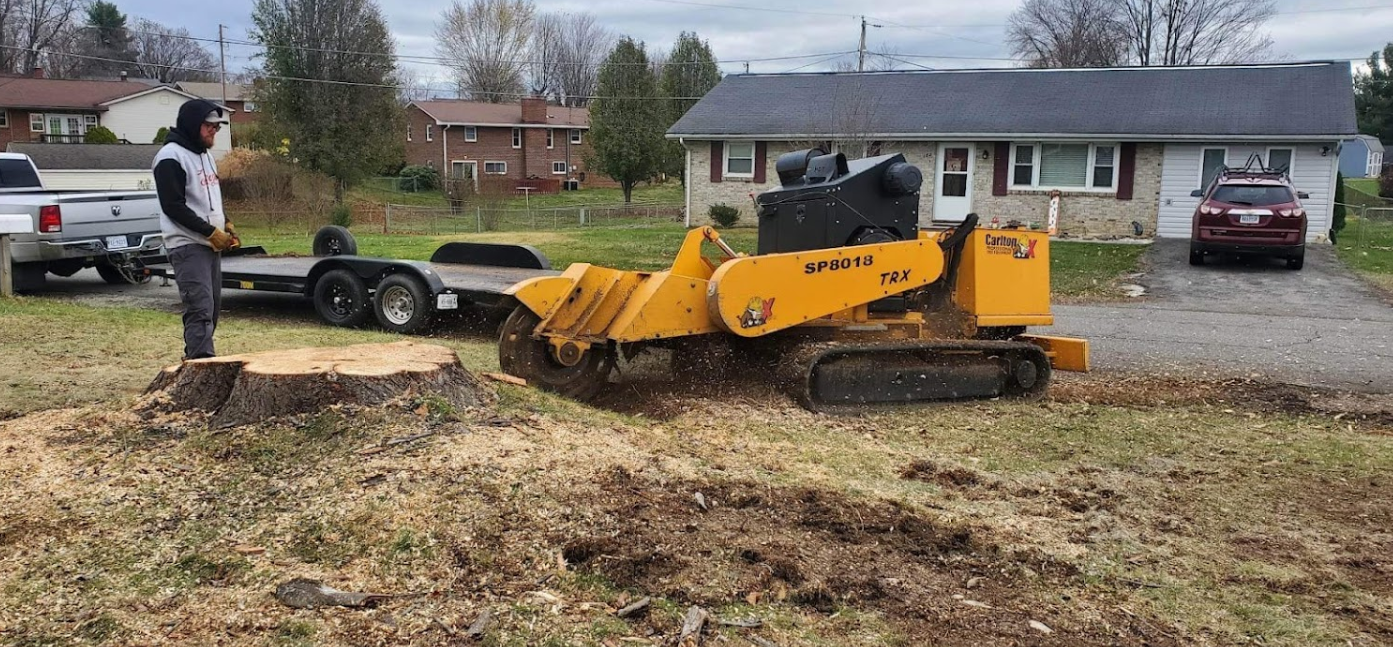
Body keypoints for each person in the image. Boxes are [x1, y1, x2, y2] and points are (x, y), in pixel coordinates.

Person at [153, 99, 236, 360]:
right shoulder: (170, 157)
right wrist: (210, 232)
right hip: (187, 245)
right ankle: (201, 368)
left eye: (217, 127)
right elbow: (173, 206)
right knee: (199, 310)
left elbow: (209, 198)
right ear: (192, 125)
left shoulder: (206, 156)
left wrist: (226, 224)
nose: (214, 131)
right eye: (209, 126)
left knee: (211, 311)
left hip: (209, 244)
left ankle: (197, 363)